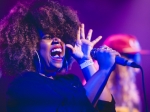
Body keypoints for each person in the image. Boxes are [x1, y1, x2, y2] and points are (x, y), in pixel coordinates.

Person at [0, 0, 118, 111]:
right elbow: (75, 109)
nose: (57, 40)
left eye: (61, 36)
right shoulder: (23, 85)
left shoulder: (71, 82)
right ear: (30, 45)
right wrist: (104, 70)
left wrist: (85, 60)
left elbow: (106, 108)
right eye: (47, 37)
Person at [100, 34, 149, 112]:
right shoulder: (97, 81)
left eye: (136, 56)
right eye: (129, 56)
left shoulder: (130, 86)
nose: (136, 62)